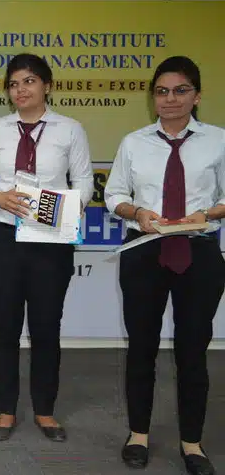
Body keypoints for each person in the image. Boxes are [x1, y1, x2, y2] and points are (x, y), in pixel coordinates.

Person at [104, 56, 225, 475]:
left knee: (193, 352)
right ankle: (138, 434)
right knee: (142, 348)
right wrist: (137, 212)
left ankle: (192, 443)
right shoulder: (134, 143)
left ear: (197, 95)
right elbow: (114, 194)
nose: (170, 99)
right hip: (144, 251)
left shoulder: (218, 140)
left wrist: (208, 214)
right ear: (152, 97)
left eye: (180, 90)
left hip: (198, 252)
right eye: (161, 91)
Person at [0, 53, 93, 443]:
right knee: (4, 327)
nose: (20, 90)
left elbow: (85, 182)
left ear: (47, 85)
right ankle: (5, 410)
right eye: (13, 84)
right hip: (3, 237)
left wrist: (59, 208)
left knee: (46, 327)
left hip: (50, 240)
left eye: (29, 81)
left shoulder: (70, 129)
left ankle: (45, 410)